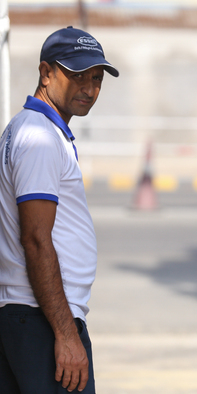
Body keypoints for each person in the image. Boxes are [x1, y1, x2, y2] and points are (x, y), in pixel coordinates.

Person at [0, 26, 118, 393]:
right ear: (46, 73)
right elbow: (36, 238)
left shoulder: (34, 129)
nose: (89, 88)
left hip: (30, 316)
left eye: (96, 78)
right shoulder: (38, 137)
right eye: (77, 75)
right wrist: (67, 335)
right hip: (41, 318)